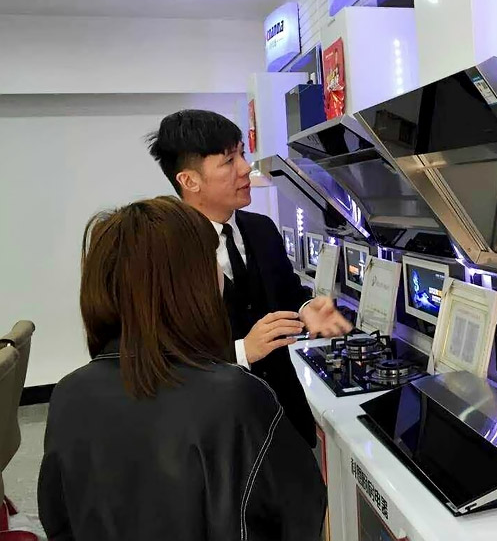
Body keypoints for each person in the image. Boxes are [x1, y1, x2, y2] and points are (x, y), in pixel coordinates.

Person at [38, 197, 326, 541]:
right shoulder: (236, 398)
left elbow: (59, 519)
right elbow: (302, 510)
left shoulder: (69, 394)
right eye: (212, 259)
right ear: (190, 281)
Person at [147, 110, 352, 448]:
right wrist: (241, 351)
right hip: (220, 434)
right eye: (229, 161)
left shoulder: (261, 229)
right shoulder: (163, 253)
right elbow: (162, 357)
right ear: (189, 181)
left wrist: (306, 308)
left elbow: (287, 291)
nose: (245, 168)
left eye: (242, 154)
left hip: (285, 418)